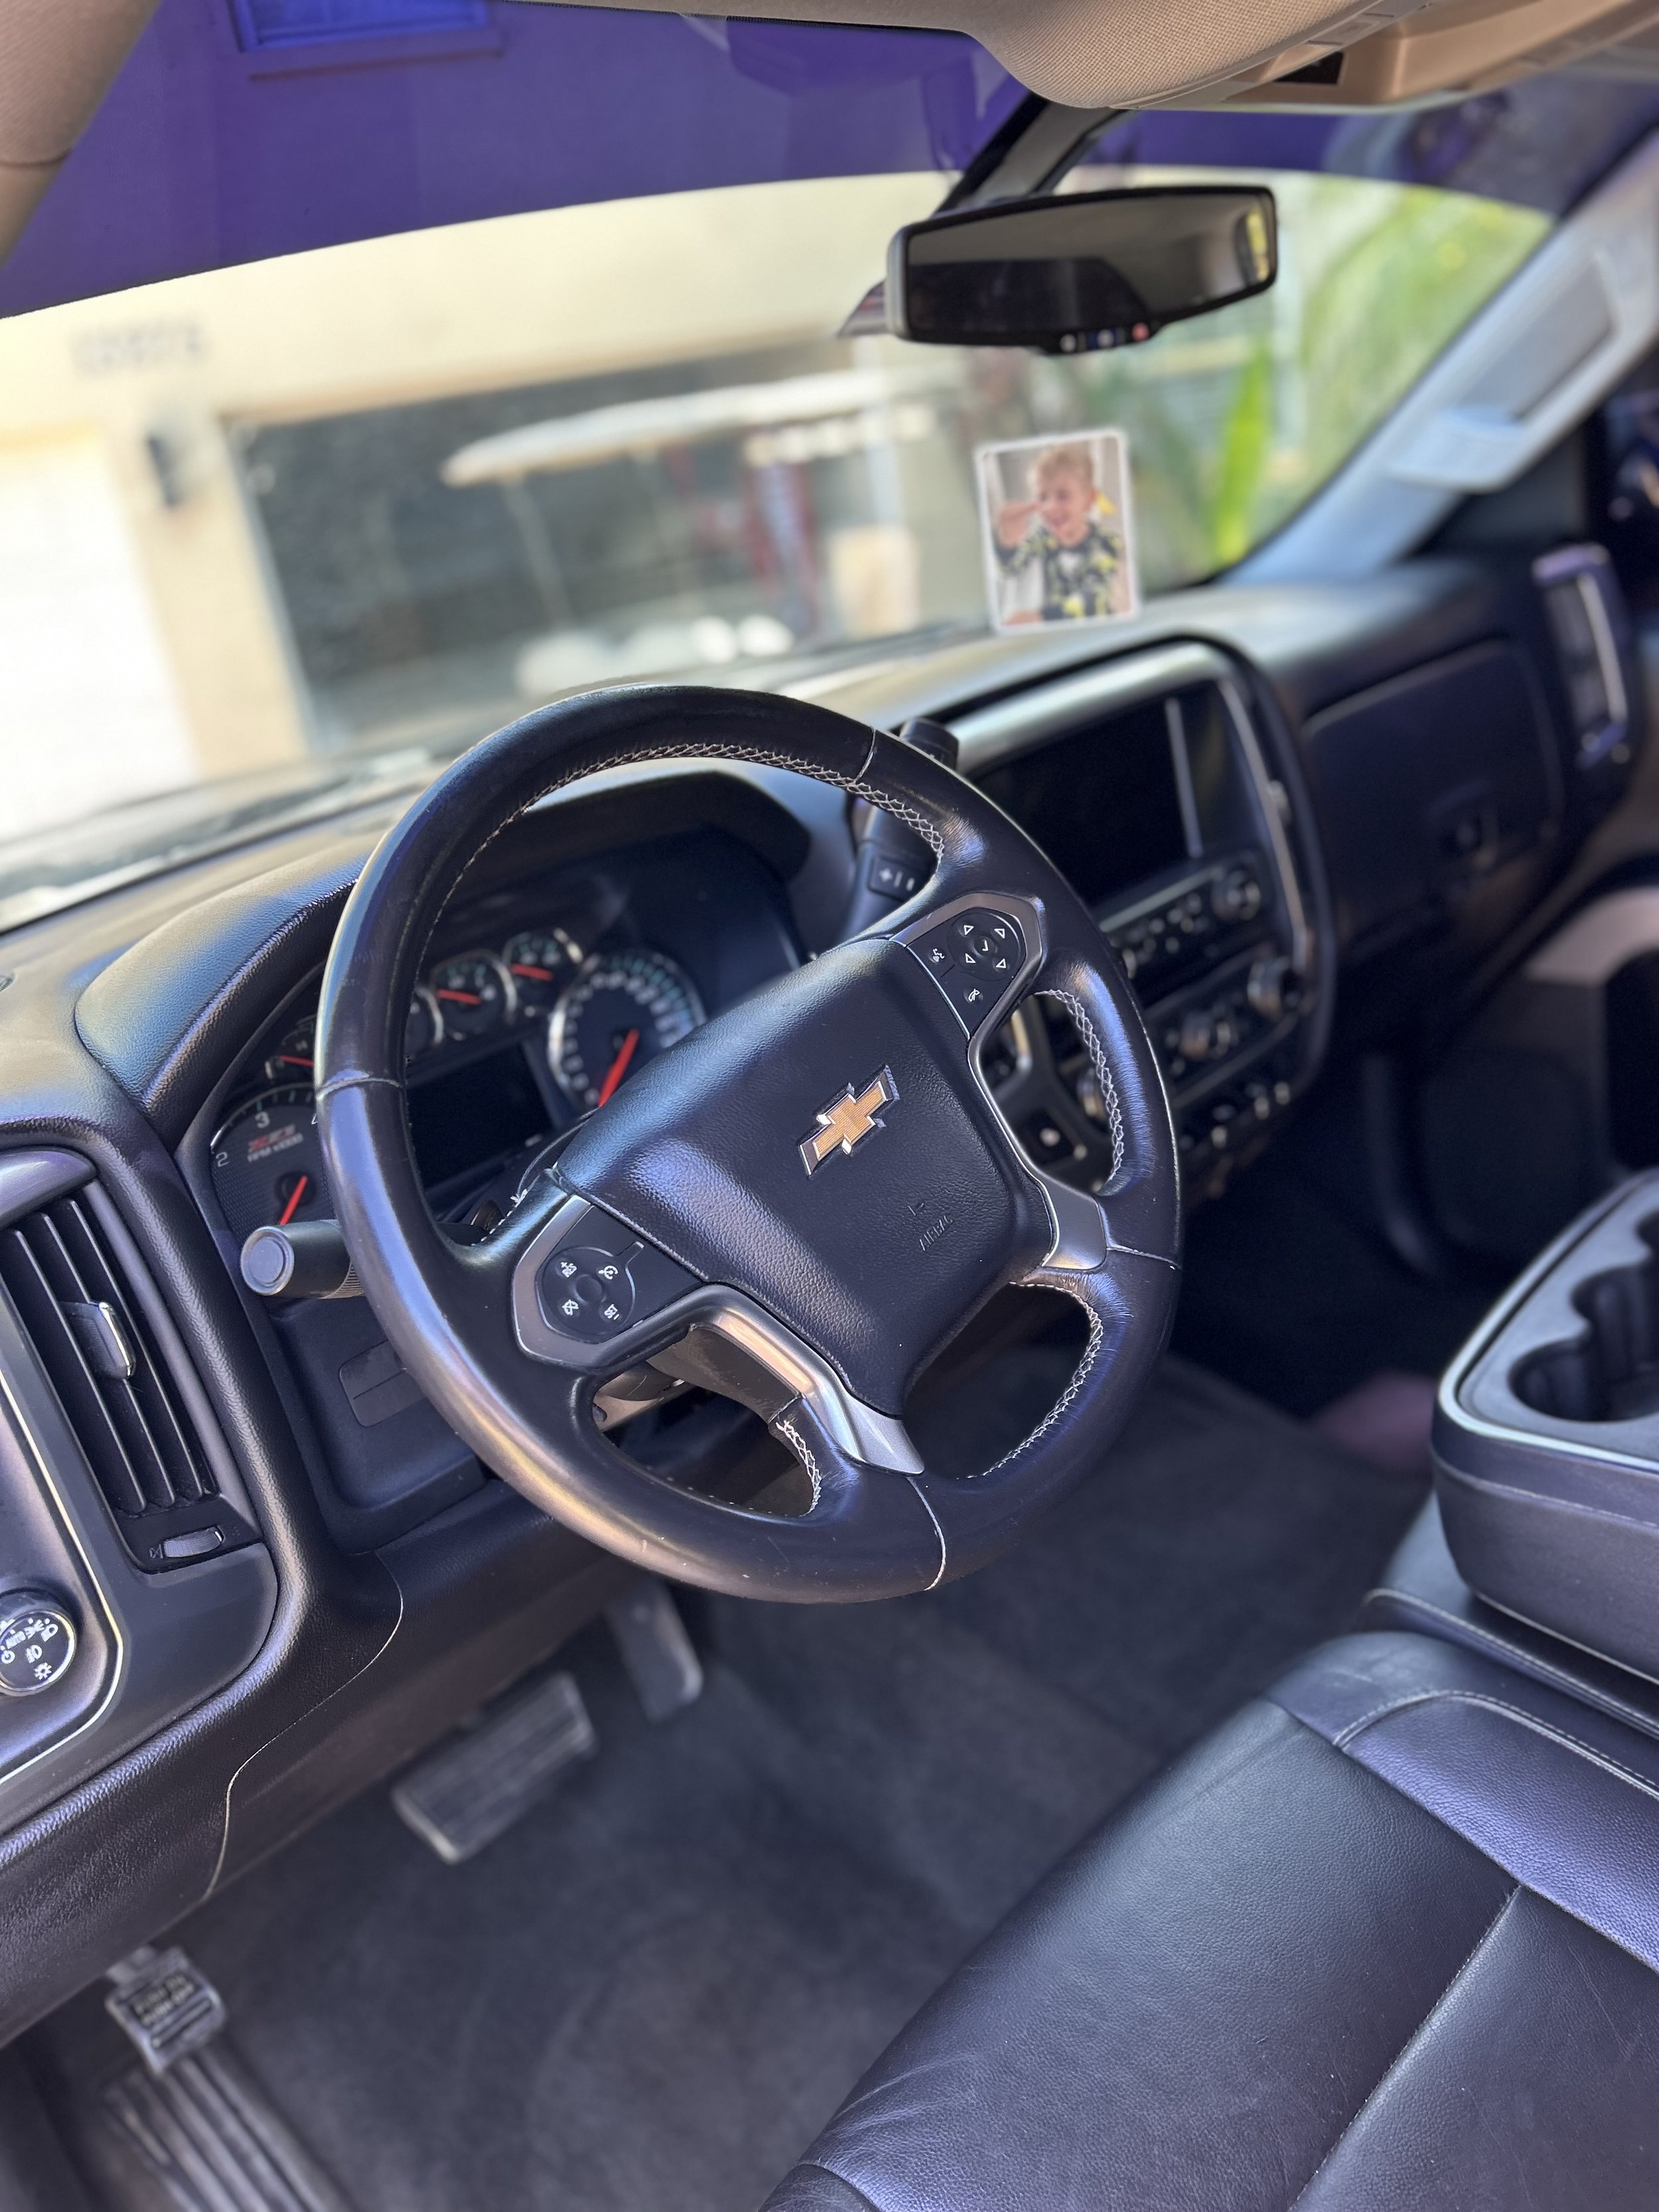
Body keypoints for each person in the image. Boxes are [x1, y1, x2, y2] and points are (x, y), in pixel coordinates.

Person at [993, 441, 1126, 623]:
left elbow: (1093, 596)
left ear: (1088, 500)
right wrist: (1007, 540)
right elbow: (1011, 570)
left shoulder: (1107, 541)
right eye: (1042, 497)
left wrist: (1040, 617)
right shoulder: (1043, 538)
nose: (1050, 507)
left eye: (1063, 495)